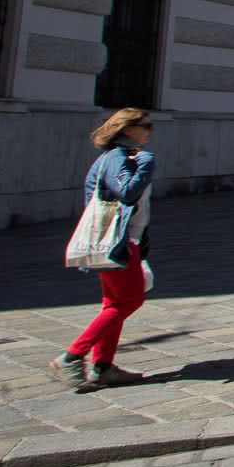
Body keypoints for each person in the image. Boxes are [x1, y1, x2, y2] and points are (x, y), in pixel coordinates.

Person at [56, 109, 157, 392]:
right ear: (127, 129)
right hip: (117, 242)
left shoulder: (122, 156)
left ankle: (102, 367)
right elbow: (126, 192)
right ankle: (73, 356)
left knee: (114, 304)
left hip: (119, 240)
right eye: (146, 126)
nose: (151, 131)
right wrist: (147, 164)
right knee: (129, 301)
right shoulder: (117, 158)